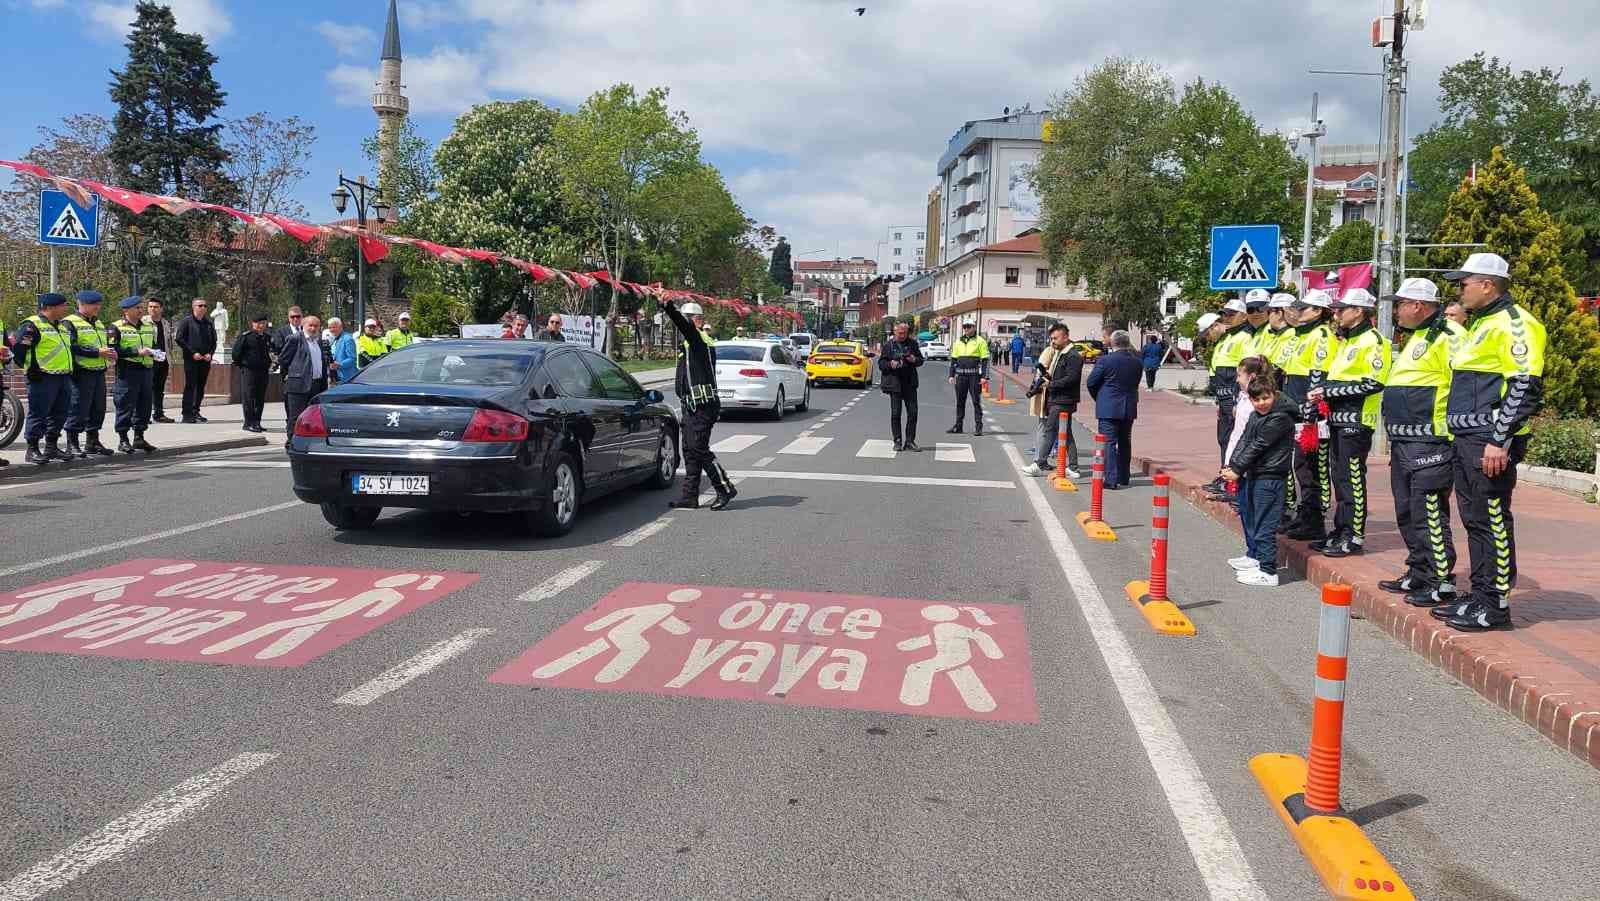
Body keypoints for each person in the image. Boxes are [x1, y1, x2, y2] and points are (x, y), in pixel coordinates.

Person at [1432, 253, 1548, 631]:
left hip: (1489, 441)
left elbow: (1524, 386)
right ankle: (1480, 595)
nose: (1459, 289)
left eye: (1464, 282)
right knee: (1475, 520)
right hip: (1467, 438)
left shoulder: (1516, 324)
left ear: (1488, 284)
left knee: (1492, 518)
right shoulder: (1483, 323)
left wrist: (1499, 440)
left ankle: (1496, 604)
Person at [1377, 277, 1466, 608]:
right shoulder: (1415, 336)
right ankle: (1419, 570)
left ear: (1418, 305)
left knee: (1429, 512)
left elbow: (1463, 383)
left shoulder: (1449, 335)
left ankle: (1441, 581)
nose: (1396, 311)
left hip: (1432, 441)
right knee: (1407, 510)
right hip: (1404, 440)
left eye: (1399, 304)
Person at [1308, 288, 1391, 558]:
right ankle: (1341, 530)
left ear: (1358, 310)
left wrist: (1328, 392)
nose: (1336, 313)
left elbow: (1373, 382)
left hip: (1357, 420)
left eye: (1342, 308)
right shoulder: (1347, 341)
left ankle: (1354, 536)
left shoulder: (1374, 341)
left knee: (1352, 478)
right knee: (1339, 478)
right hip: (1336, 420)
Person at [1222, 375, 1297, 587]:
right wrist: (1232, 465)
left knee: (1265, 525)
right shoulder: (1258, 415)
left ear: (1274, 394)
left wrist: (1237, 469)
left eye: (1266, 398)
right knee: (1256, 521)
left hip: (1271, 477)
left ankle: (1268, 571)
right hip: (1257, 474)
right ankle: (1258, 561)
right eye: (1257, 399)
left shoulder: (1280, 418)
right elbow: (1245, 440)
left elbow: (1259, 445)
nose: (1261, 403)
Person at [662, 299, 736, 510]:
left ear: (695, 321)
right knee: (689, 450)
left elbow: (685, 327)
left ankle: (724, 488)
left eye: (685, 321)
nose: (680, 328)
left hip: (703, 406)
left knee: (698, 448)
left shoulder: (698, 341)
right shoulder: (689, 345)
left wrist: (667, 306)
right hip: (690, 406)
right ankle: (689, 496)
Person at [1283, 290, 1340, 541]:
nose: (1298, 312)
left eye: (1304, 308)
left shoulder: (1323, 336)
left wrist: (1310, 414)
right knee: (1301, 466)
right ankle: (1305, 516)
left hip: (1311, 414)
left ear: (1318, 311)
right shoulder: (1304, 335)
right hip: (1297, 409)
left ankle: (1315, 520)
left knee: (1312, 468)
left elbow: (1318, 377)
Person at [16, 293, 77, 464]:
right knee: (39, 414)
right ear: (49, 307)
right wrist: (30, 369)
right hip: (42, 377)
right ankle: (32, 449)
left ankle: (51, 447)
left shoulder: (61, 326)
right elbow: (19, 352)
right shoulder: (31, 325)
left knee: (59, 414)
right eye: (63, 305)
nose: (66, 308)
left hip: (62, 376)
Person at [1023, 323, 1084, 477]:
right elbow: (1060, 375)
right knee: (1065, 433)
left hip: (1063, 400)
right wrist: (1047, 378)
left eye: (1055, 338)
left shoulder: (1073, 356)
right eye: (1051, 338)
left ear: (1066, 337)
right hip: (1057, 398)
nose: (1053, 341)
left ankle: (1039, 463)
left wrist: (1052, 384)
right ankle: (1073, 467)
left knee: (1050, 430)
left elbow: (1072, 378)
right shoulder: (1060, 353)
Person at [64, 290, 117, 458]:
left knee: (98, 408)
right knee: (78, 408)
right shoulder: (69, 322)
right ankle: (72, 443)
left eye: (99, 303)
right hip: (81, 372)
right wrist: (97, 352)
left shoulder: (98, 322)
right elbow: (71, 347)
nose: (98, 307)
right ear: (82, 304)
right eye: (94, 304)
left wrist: (110, 353)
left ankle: (92, 441)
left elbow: (103, 344)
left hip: (98, 371)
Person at [1087, 329, 1142, 489]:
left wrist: (1100, 398)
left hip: (1109, 408)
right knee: (1125, 442)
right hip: (1128, 406)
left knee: (1109, 443)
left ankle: (1111, 479)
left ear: (1113, 342)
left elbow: (1091, 382)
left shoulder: (1105, 360)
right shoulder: (1137, 362)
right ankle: (1124, 476)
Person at [1208, 297, 1254, 480]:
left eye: (1231, 314)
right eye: (1225, 314)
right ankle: (1224, 475)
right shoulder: (1227, 337)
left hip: (1234, 397)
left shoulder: (1245, 336)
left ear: (1243, 316)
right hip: (1223, 397)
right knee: (1224, 439)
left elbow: (1245, 371)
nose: (1227, 317)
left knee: (1235, 439)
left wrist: (1237, 398)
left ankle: (1233, 481)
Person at [107, 295, 159, 454]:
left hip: (146, 370)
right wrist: (136, 352)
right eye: (137, 308)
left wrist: (155, 353)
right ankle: (123, 439)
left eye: (141, 307)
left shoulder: (148, 326)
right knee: (125, 405)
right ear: (126, 310)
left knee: (144, 405)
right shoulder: (115, 327)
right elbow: (113, 350)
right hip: (127, 371)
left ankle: (139, 437)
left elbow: (153, 344)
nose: (141, 310)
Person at [279, 315, 335, 442]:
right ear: (303, 326)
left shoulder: (319, 341)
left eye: (316, 326)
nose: (313, 328)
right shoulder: (295, 339)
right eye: (310, 325)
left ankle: (308, 441)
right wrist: (293, 375)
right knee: (296, 416)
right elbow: (284, 360)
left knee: (313, 416)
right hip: (298, 385)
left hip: (316, 384)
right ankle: (292, 442)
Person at [880, 320, 924, 453]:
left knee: (913, 413)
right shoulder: (889, 345)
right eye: (900, 333)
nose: (902, 335)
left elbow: (920, 360)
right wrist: (890, 364)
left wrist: (914, 359)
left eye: (904, 333)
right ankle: (897, 440)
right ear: (895, 332)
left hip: (910, 383)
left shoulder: (912, 344)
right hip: (895, 384)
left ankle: (910, 441)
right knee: (896, 413)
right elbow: (881, 364)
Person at [173, 297, 217, 423]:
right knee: (190, 386)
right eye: (200, 305)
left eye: (205, 306)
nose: (203, 308)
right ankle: (187, 414)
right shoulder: (186, 321)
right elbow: (179, 339)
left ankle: (195, 410)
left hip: (205, 359)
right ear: (193, 307)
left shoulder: (208, 323)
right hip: (191, 359)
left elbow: (214, 341)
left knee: (201, 386)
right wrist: (192, 353)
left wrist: (210, 353)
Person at [232, 313, 273, 433]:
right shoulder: (246, 337)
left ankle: (257, 422)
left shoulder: (266, 337)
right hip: (250, 370)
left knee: (260, 397)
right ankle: (248, 422)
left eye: (263, 323)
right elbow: (236, 354)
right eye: (258, 323)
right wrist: (244, 365)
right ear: (253, 324)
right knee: (249, 396)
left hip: (263, 371)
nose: (260, 325)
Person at [947, 320, 989, 435]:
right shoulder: (958, 341)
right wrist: (951, 375)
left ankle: (978, 427)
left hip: (974, 376)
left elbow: (985, 360)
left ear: (974, 327)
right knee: (960, 402)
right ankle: (958, 426)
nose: (966, 329)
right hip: (960, 376)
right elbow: (954, 360)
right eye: (964, 327)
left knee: (976, 401)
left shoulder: (980, 341)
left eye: (968, 326)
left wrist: (985, 376)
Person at [144, 297, 174, 423]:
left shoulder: (165, 323)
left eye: (155, 307)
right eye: (150, 307)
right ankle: (144, 415)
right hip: (148, 360)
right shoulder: (143, 322)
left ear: (161, 309)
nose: (152, 309)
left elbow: (169, 342)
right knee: (146, 389)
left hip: (163, 360)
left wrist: (169, 357)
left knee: (159, 389)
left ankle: (159, 413)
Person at [326, 317, 357, 383]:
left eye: (334, 327)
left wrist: (340, 364)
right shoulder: (334, 339)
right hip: (335, 376)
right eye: (329, 328)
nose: (331, 330)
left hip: (346, 376)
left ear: (340, 327)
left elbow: (352, 358)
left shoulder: (348, 339)